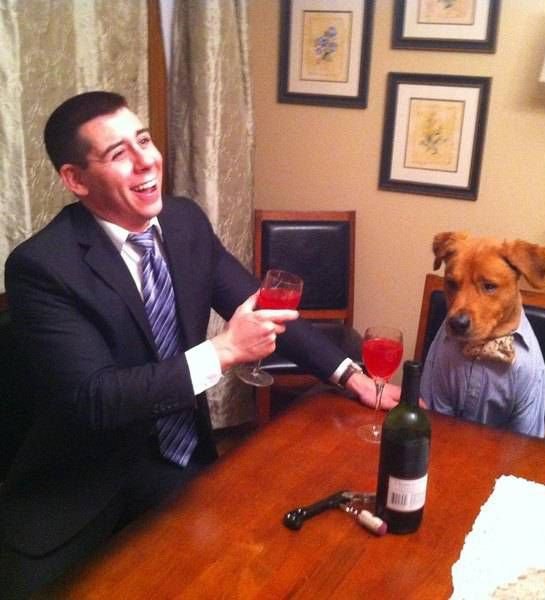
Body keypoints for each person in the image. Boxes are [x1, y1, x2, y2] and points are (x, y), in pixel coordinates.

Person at [0, 91, 400, 597]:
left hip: (181, 461)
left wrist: (351, 375)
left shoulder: (184, 221)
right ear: (76, 180)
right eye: (118, 153)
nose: (146, 160)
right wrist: (224, 351)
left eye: (144, 140)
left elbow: (263, 306)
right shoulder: (42, 267)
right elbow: (95, 399)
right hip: (82, 484)